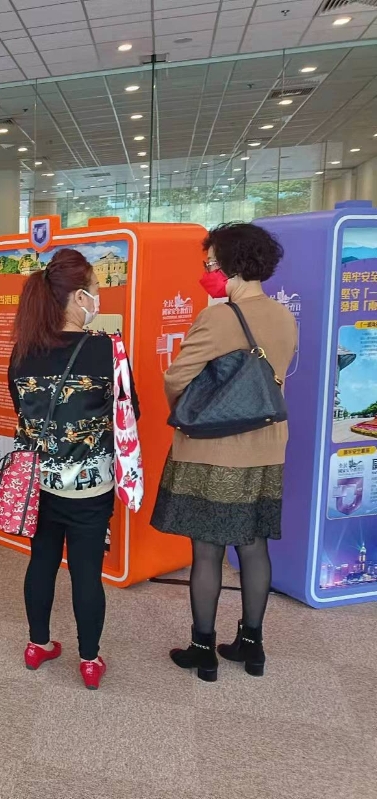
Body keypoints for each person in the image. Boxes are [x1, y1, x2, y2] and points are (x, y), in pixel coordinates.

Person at [152, 223, 296, 682]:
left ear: (231, 265)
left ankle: (203, 650)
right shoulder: (283, 316)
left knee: (207, 550)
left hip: (214, 451)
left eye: (211, 262)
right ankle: (252, 646)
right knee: (253, 544)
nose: (207, 271)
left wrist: (188, 413)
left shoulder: (218, 318)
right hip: (267, 448)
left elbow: (176, 377)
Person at [8, 248, 138, 691]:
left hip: (38, 483)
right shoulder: (107, 350)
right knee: (86, 572)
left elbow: (21, 409)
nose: (98, 298)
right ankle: (89, 659)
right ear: (80, 297)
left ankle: (37, 644)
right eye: (96, 291)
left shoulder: (24, 351)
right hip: (90, 488)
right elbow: (129, 413)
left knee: (41, 561)